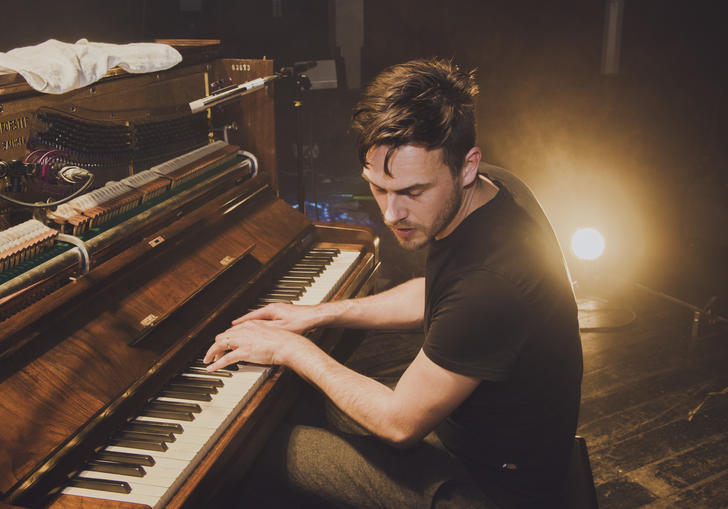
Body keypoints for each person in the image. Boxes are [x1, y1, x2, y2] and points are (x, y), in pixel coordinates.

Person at [204, 58, 583, 508]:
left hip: (493, 490)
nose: (390, 213)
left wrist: (291, 348)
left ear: (466, 166)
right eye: (378, 187)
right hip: (473, 441)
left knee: (247, 452)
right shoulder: (495, 187)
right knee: (290, 406)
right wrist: (319, 313)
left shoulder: (492, 283)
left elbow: (399, 423)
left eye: (412, 192)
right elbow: (440, 293)